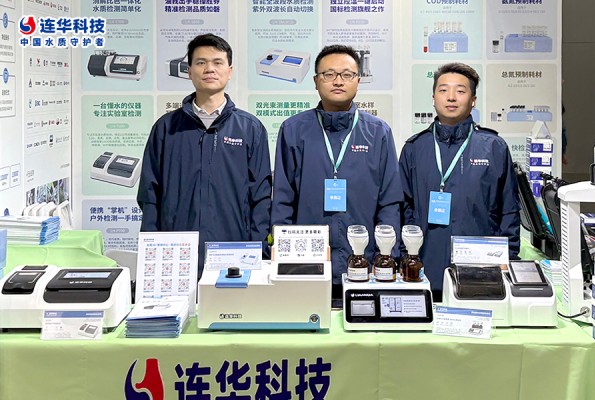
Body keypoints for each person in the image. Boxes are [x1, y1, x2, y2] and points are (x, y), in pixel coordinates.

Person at [271, 44, 402, 302]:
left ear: (358, 80)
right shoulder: (294, 130)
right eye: (329, 74)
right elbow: (283, 200)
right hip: (306, 264)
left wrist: (385, 257)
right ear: (315, 81)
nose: (338, 81)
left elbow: (389, 202)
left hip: (363, 264)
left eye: (347, 74)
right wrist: (284, 255)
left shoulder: (378, 132)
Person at [137, 33, 272, 275]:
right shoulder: (167, 128)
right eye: (201, 62)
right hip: (176, 251)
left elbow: (260, 196)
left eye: (217, 62)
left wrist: (257, 249)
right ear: (189, 71)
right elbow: (149, 193)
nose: (209, 69)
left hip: (234, 251)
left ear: (229, 71)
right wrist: (152, 247)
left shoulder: (250, 128)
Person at [398, 62, 520, 301]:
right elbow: (403, 209)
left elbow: (509, 211)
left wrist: (509, 259)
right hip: (424, 271)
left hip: (480, 273)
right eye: (443, 90)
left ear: (473, 100)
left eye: (460, 91)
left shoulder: (493, 147)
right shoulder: (415, 148)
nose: (451, 97)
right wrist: (405, 257)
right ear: (433, 97)